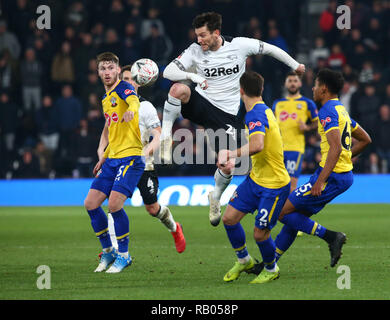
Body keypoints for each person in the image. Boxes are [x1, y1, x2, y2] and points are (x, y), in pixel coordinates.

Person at [159, 12, 305, 227]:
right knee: (177, 89)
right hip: (201, 103)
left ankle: (215, 197)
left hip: (226, 114)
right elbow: (168, 72)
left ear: (216, 33)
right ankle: (165, 136)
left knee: (227, 164)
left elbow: (270, 49)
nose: (199, 40)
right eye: (197, 36)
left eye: (203, 36)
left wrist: (295, 64)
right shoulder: (194, 51)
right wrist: (193, 76)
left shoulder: (239, 45)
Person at [255, 69, 372, 274]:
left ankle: (331, 236)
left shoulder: (327, 110)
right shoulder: (340, 110)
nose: (313, 88)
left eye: (316, 85)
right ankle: (269, 263)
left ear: (324, 89)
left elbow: (335, 148)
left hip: (331, 176)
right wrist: (346, 157)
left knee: (282, 210)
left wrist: (321, 181)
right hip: (339, 175)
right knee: (296, 215)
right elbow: (365, 139)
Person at [100, 65, 186, 254]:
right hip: (120, 162)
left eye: (132, 79)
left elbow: (159, 135)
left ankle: (175, 228)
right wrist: (102, 149)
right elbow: (108, 128)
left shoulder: (145, 107)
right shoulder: (115, 101)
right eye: (125, 79)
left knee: (152, 208)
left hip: (142, 165)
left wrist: (145, 152)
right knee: (113, 203)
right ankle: (114, 248)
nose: (128, 82)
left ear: (139, 83)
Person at [217, 71, 291, 284]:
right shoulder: (262, 109)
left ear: (240, 91)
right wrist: (237, 162)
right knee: (229, 219)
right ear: (261, 89)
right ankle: (244, 260)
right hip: (256, 179)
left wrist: (230, 154)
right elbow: (264, 148)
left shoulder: (255, 114)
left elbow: (258, 145)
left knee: (260, 234)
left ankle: (271, 268)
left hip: (274, 185)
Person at [83, 52, 145, 274]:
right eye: (103, 69)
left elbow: (134, 100)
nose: (107, 72)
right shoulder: (104, 99)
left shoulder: (123, 88)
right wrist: (103, 156)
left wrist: (131, 110)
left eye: (111, 68)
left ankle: (124, 255)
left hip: (131, 157)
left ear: (118, 70)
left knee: (114, 205)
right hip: (112, 158)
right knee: (90, 204)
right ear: (98, 72)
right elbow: (113, 132)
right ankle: (108, 250)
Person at [272, 71, 318, 192]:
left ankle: (289, 210)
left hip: (295, 148)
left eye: (295, 81)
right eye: (290, 81)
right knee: (275, 183)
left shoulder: (307, 103)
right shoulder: (277, 104)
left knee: (291, 185)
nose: (293, 84)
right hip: (277, 149)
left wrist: (307, 127)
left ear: (300, 84)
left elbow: (318, 122)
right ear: (286, 84)